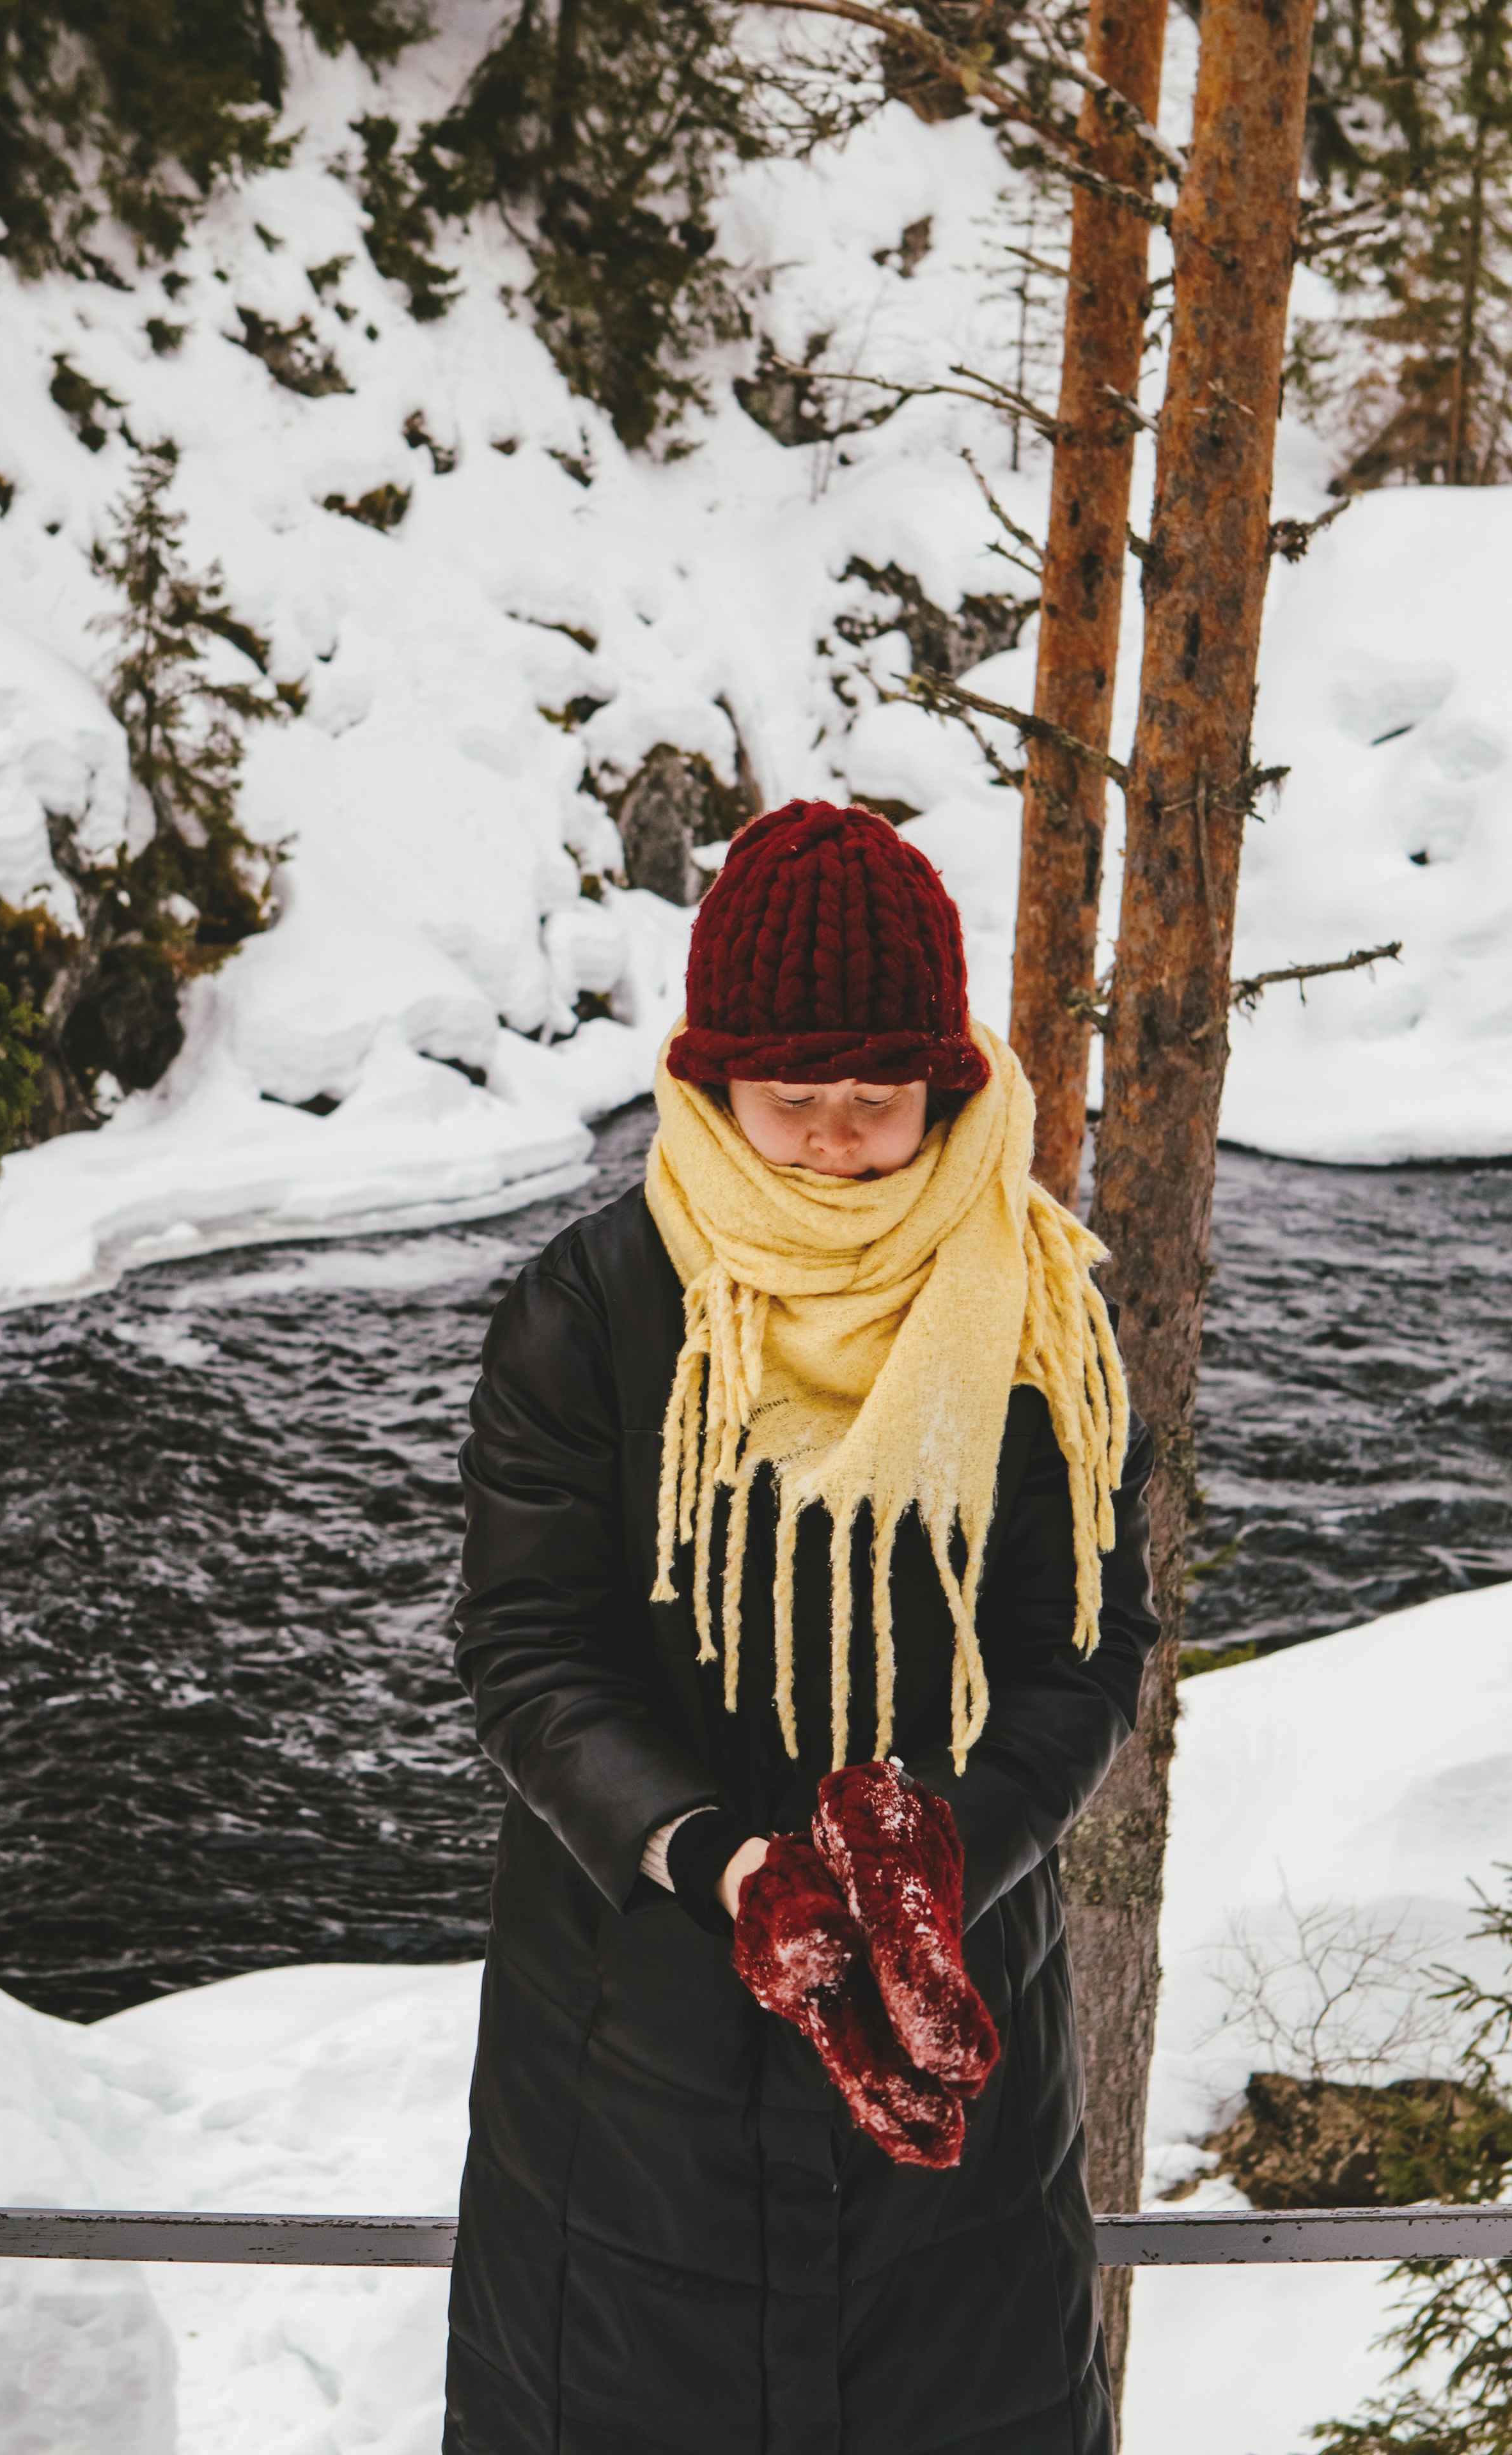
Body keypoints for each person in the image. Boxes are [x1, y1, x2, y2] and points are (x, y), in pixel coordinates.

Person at [444, 799, 1158, 2455]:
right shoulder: (591, 1310)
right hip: (632, 2088)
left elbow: (1084, 1647)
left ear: (948, 1085)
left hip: (952, 2058)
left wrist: (941, 1855)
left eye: (877, 1104)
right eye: (791, 1103)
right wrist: (725, 1864)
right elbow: (530, 1656)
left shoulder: (1039, 1311)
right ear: (708, 1082)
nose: (834, 1145)